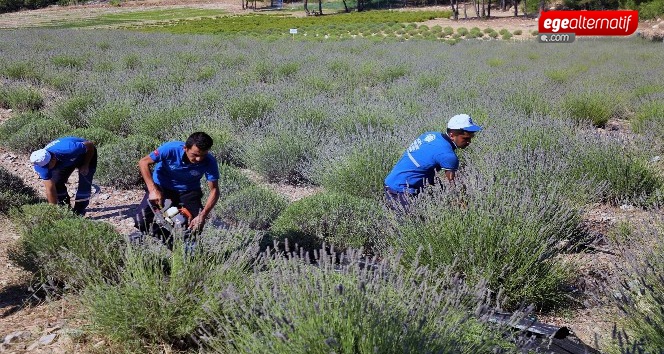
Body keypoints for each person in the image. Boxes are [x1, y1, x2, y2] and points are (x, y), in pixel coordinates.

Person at [134, 132, 220, 245]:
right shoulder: (170, 149)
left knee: (194, 225)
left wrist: (202, 215)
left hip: (189, 190)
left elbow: (214, 190)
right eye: (195, 154)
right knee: (141, 221)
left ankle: (189, 251)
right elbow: (143, 162)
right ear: (185, 148)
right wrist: (153, 190)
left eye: (203, 155)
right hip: (161, 186)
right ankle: (171, 243)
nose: (199, 159)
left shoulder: (209, 161)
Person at [384, 114, 482, 212]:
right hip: (401, 190)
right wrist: (464, 208)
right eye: (465, 138)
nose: (469, 142)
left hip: (392, 182)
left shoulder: (431, 135)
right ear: (452, 135)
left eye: (470, 138)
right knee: (412, 224)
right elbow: (453, 187)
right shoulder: (448, 156)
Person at [30, 136, 97, 216]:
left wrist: (86, 164)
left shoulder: (70, 149)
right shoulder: (39, 164)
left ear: (53, 160)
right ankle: (65, 209)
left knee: (84, 184)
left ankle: (79, 212)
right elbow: (50, 188)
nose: (46, 169)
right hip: (67, 160)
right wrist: (53, 211)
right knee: (56, 183)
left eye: (47, 167)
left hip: (86, 154)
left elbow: (89, 145)